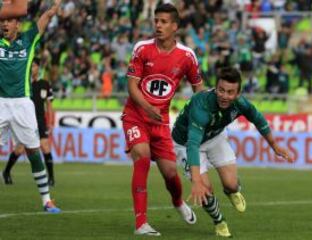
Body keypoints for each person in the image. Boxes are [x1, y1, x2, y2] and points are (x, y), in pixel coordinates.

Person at [172, 67, 292, 237]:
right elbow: (192, 144)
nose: (224, 96)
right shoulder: (202, 106)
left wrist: (274, 145)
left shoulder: (240, 103)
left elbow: (257, 118)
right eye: (221, 90)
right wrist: (196, 180)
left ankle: (232, 191)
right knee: (205, 189)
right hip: (186, 144)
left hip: (215, 138)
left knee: (231, 184)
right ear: (215, 88)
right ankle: (219, 221)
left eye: (230, 92)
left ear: (238, 93)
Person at [121, 3, 203, 236]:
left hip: (161, 122)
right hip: (136, 116)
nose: (158, 25)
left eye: (164, 22)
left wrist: (199, 117)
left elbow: (199, 89)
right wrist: (147, 108)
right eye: (156, 20)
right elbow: (131, 86)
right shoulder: (142, 49)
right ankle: (141, 223)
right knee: (142, 158)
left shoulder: (187, 56)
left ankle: (177, 201)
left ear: (175, 26)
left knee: (171, 175)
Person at [0, 0, 62, 213]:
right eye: (3, 21)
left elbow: (47, 16)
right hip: (0, 103)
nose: (5, 24)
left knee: (34, 151)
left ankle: (46, 200)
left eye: (9, 21)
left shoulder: (28, 39)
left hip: (23, 104)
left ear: (18, 24)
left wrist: (55, 5)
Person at [2, 58, 56, 186]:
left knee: (45, 147)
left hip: (40, 121)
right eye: (31, 66)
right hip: (25, 121)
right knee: (19, 149)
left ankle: (51, 178)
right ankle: (6, 172)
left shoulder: (45, 84)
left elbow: (49, 105)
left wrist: (51, 122)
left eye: (35, 66)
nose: (32, 69)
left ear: (39, 68)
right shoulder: (23, 84)